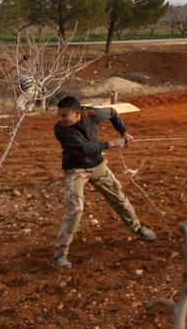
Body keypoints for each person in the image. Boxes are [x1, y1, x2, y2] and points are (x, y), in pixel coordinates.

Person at [51, 95, 156, 270]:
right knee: (75, 208)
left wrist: (124, 133)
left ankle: (137, 228)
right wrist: (111, 143)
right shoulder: (60, 129)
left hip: (98, 166)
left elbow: (113, 112)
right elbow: (84, 149)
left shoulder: (92, 113)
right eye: (59, 115)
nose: (60, 120)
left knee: (119, 198)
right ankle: (59, 256)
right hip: (76, 170)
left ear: (77, 114)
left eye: (64, 115)